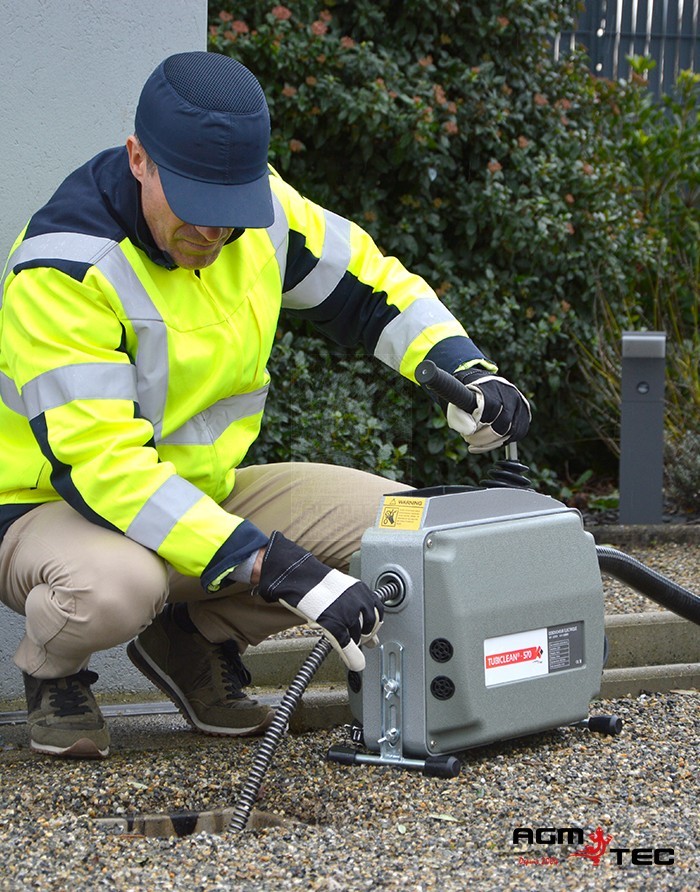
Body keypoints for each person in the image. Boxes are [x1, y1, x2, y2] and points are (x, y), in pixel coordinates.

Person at [0, 51, 530, 759]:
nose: (214, 236)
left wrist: (467, 370)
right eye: (195, 209)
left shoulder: (263, 215)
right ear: (139, 159)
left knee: (399, 524)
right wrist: (272, 565)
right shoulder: (65, 269)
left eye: (229, 214)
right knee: (117, 587)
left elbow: (371, 287)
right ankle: (53, 672)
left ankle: (193, 641)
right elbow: (105, 471)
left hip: (201, 497)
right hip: (55, 513)